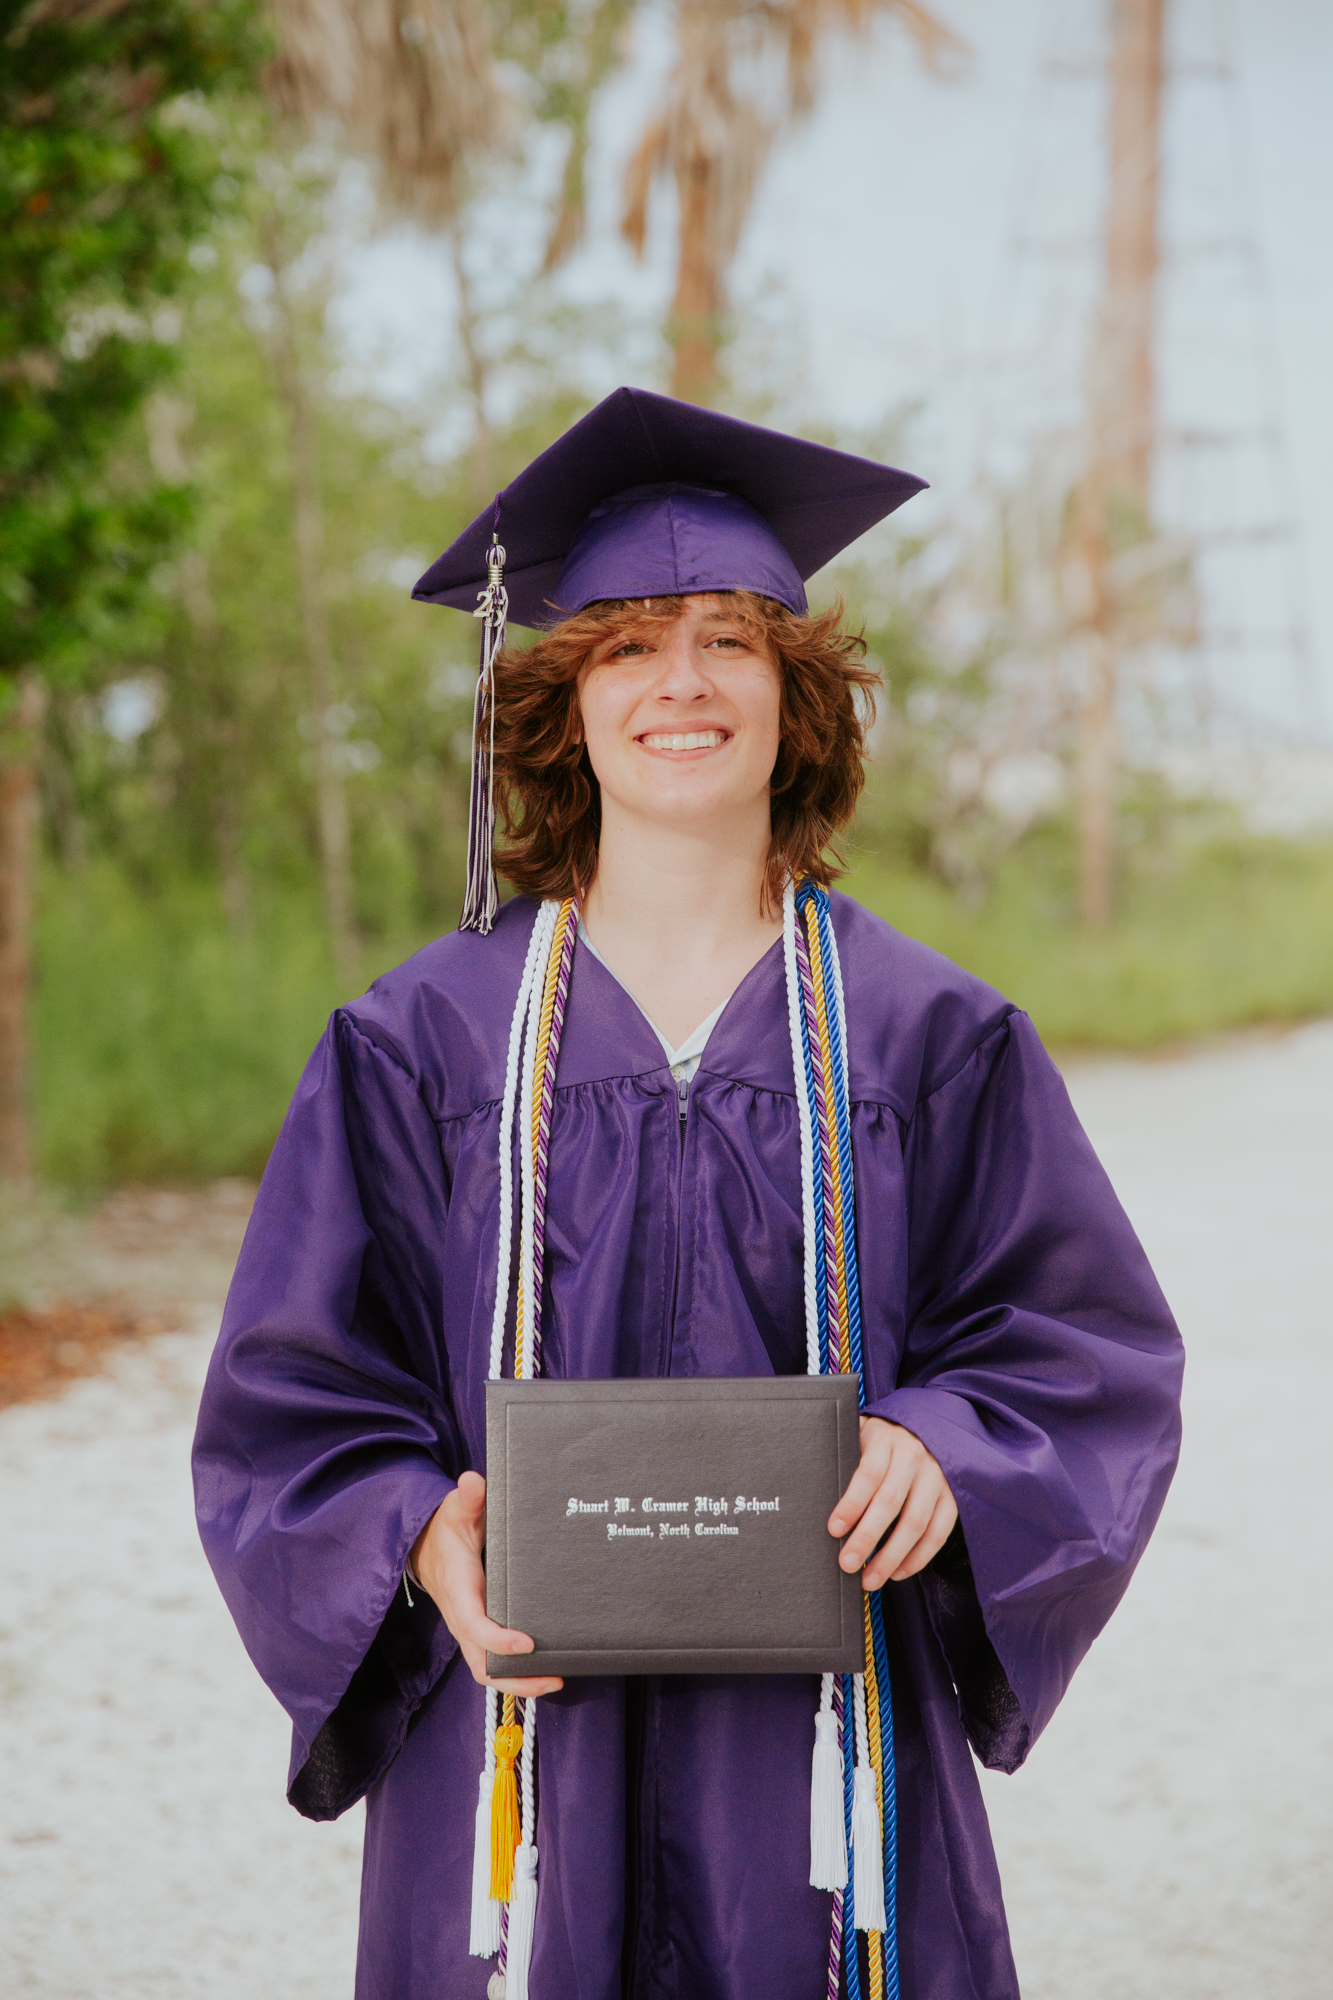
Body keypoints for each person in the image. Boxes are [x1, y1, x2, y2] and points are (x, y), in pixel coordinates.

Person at [193, 388, 1183, 2000]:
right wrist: (411, 1533)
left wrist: (947, 1446)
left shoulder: (928, 1032)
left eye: (729, 641)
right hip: (523, 1724)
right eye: (629, 646)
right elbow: (294, 1389)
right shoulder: (419, 1038)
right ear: (562, 702)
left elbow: (1079, 1346)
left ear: (797, 700)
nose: (681, 682)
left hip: (821, 1738)